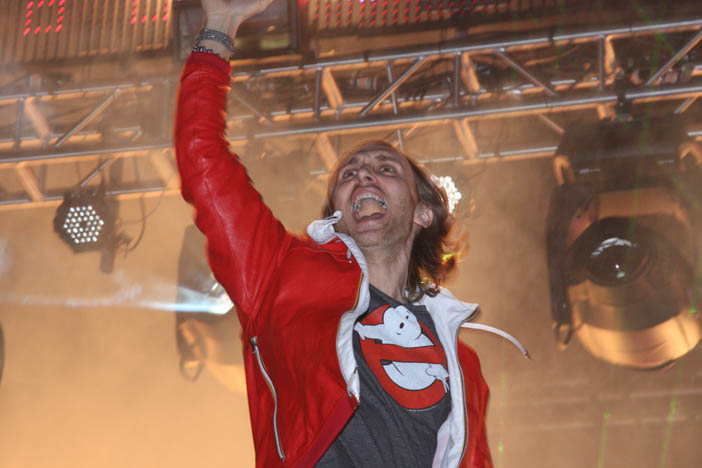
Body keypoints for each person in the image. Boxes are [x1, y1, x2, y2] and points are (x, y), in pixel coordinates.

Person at [175, 1, 506, 466]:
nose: (364, 175)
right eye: (349, 174)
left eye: (385, 168)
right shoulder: (280, 278)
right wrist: (220, 25)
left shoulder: (462, 361)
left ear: (422, 213)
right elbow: (202, 159)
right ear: (336, 216)